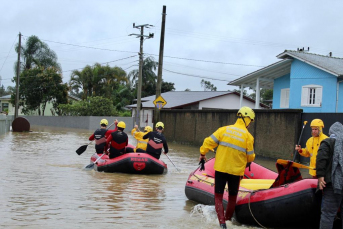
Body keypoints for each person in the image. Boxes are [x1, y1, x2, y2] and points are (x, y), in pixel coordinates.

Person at [199, 106, 255, 229]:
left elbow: (208, 142)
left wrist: (203, 153)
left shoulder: (223, 130)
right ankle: (228, 220)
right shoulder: (248, 137)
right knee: (232, 197)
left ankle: (222, 224)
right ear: (247, 119)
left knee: (218, 196)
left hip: (221, 169)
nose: (250, 124)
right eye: (251, 121)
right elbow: (250, 158)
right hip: (236, 172)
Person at [316, 122, 343, 229]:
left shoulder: (327, 142)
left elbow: (321, 158)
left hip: (333, 184)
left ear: (331, 132)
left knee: (328, 214)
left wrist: (320, 176)